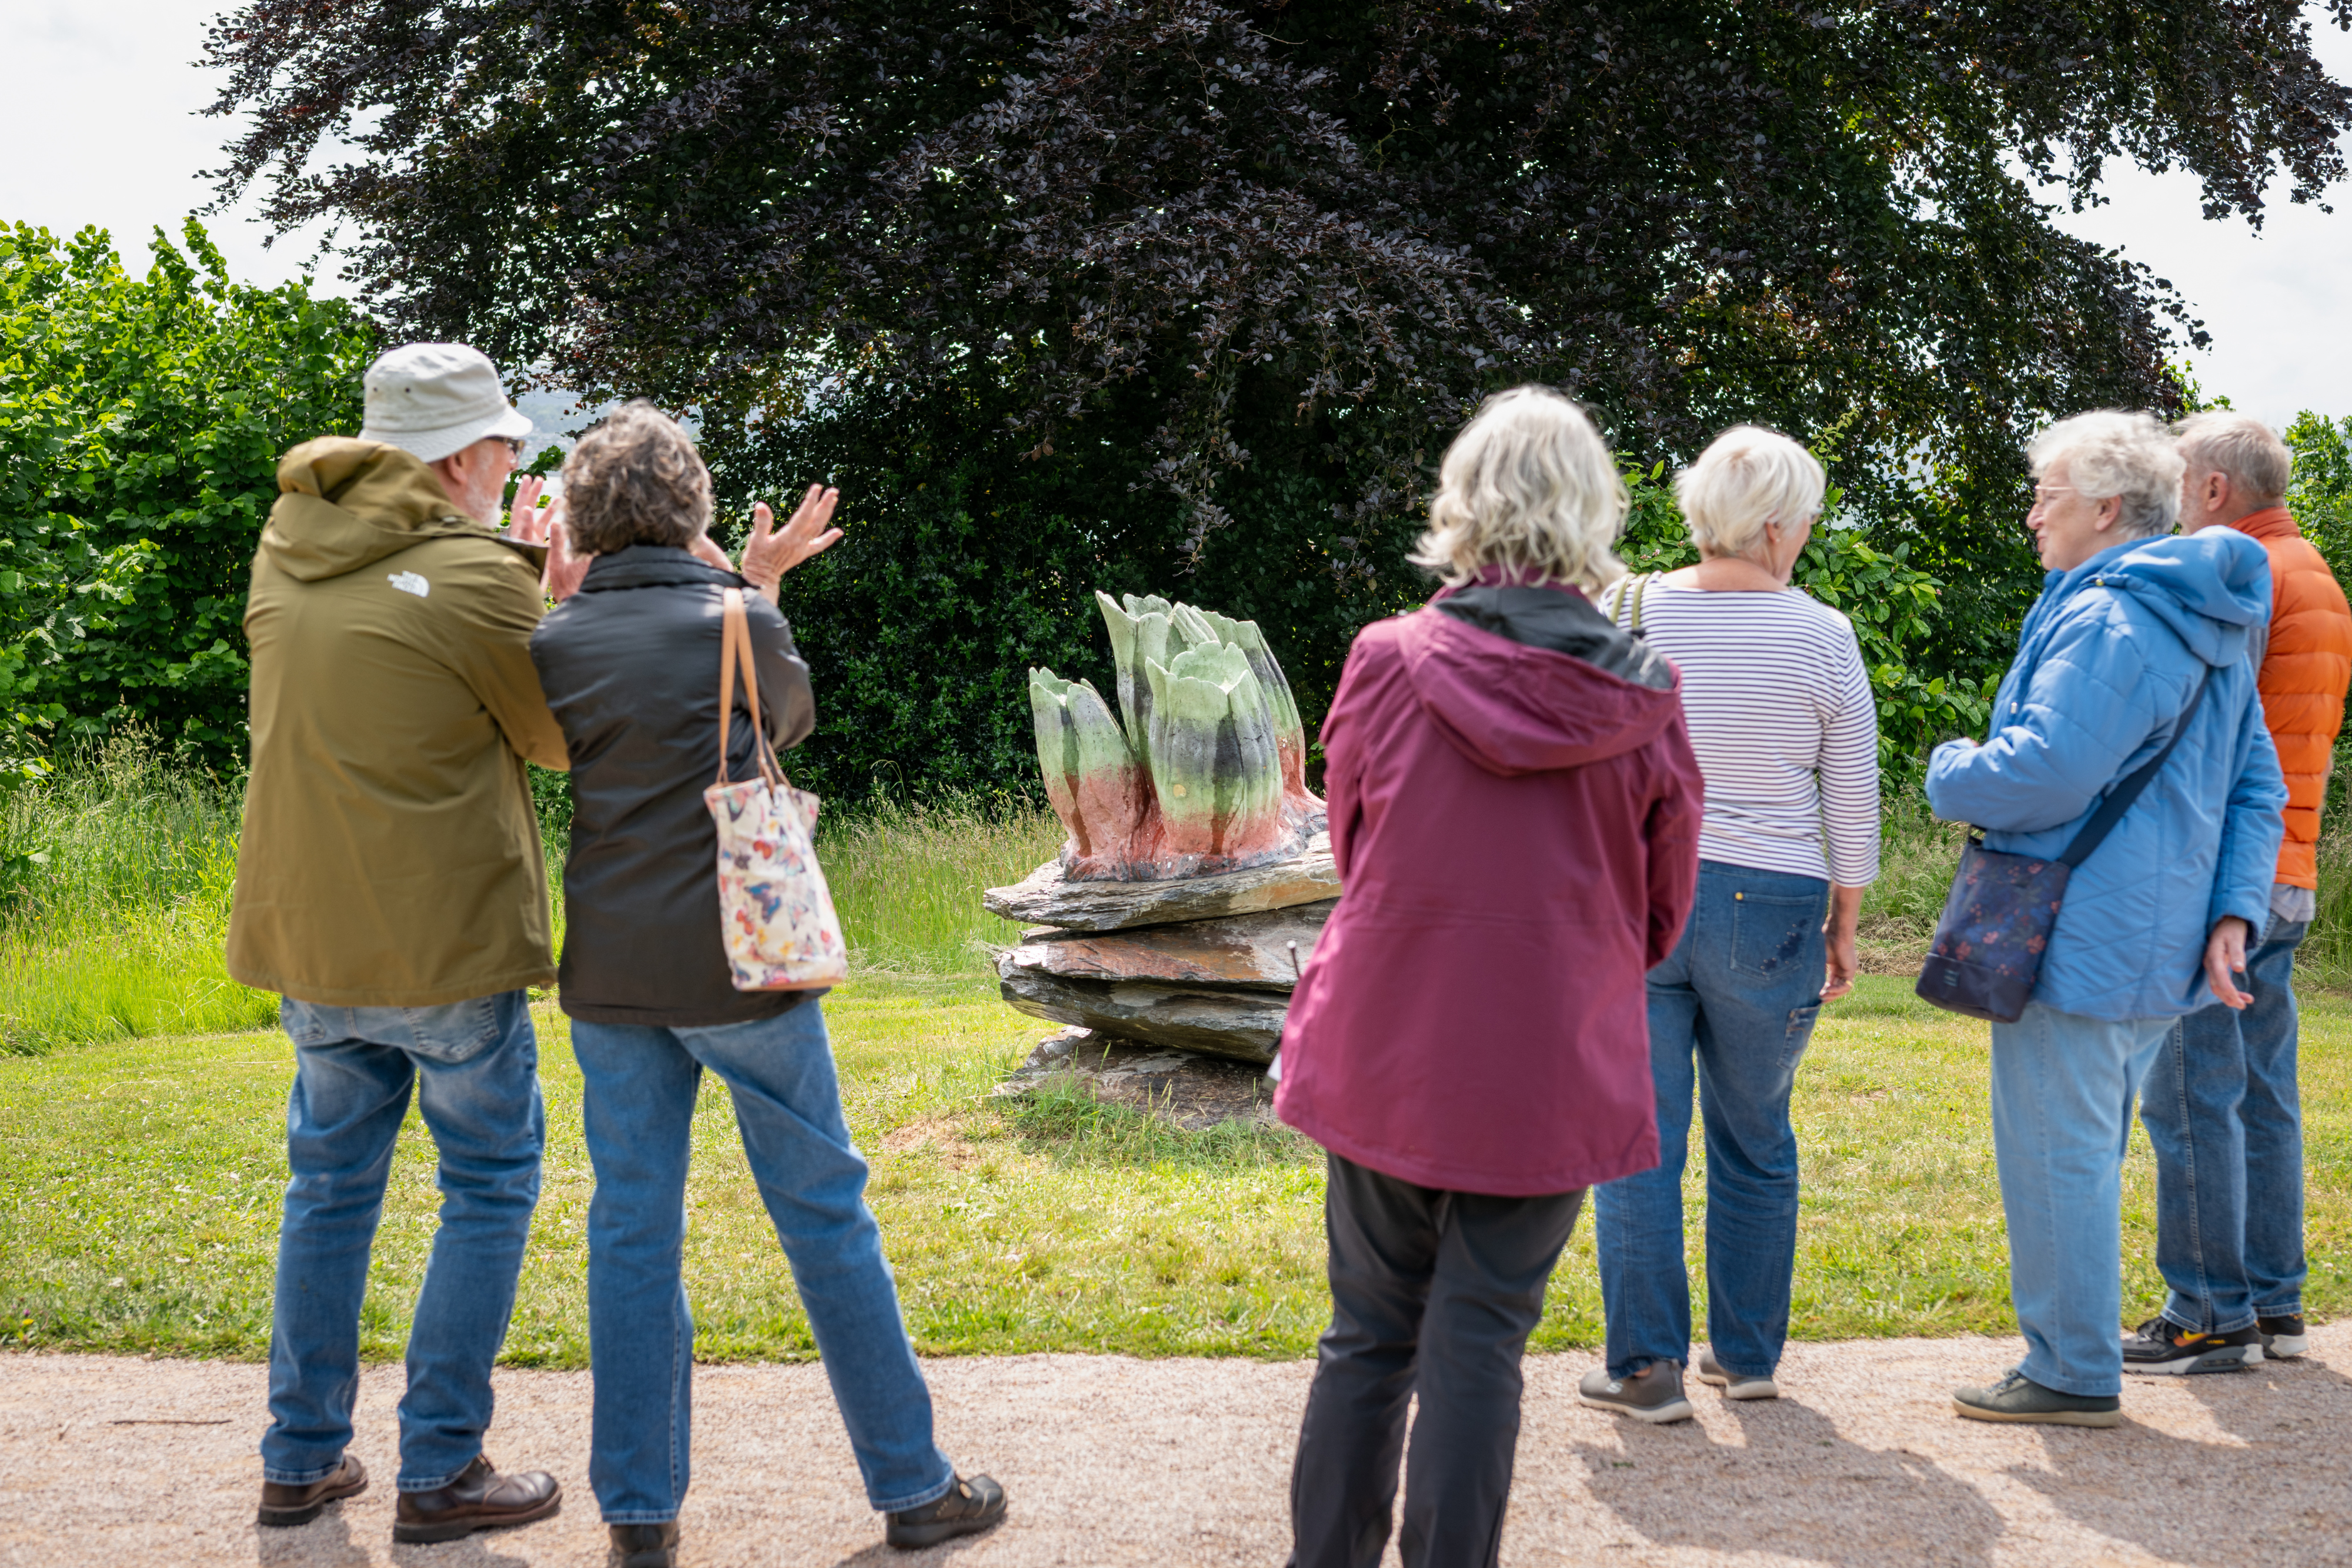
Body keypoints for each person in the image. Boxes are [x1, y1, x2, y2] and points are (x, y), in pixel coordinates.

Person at [526, 402, 1005, 1566]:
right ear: (690, 510)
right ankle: (910, 1486)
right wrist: (754, 584)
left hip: (610, 974)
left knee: (631, 1230)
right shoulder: (737, 615)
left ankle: (638, 1516)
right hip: (749, 962)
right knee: (825, 1214)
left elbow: (559, 738)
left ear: (584, 521)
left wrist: (563, 596)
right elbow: (783, 719)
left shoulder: (554, 638)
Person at [1273, 385, 1704, 1567]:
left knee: (1366, 1337)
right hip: (1547, 1051)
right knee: (1477, 1345)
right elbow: (1662, 905)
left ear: (1462, 505)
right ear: (1591, 513)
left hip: (1387, 1038)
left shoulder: (1384, 659)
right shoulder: (1647, 692)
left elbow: (1354, 847)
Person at [232, 343, 572, 1542]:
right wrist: (553, 594)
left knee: (326, 1191)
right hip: (445, 945)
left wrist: (513, 570)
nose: (515, 463)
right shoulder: (478, 574)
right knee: (485, 1184)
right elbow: (557, 737)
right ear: (466, 456)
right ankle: (442, 1469)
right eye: (509, 446)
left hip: (306, 937)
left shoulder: (284, 553)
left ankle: (301, 1457)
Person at [1925, 409, 2286, 1426]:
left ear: (2106, 506)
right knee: (2085, 1147)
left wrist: (1949, 770)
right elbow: (2258, 786)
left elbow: (2050, 771)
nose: (2034, 510)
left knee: (2058, 1156)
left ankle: (2070, 1370)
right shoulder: (2206, 619)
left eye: (2046, 491)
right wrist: (2233, 912)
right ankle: (2071, 1358)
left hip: (2076, 933)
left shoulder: (2110, 618)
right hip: (2157, 937)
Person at [1582, 426, 1880, 1423]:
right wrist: (1847, 914)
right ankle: (1746, 1355)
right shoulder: (1824, 633)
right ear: (1777, 527)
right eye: (1804, 521)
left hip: (1638, 891)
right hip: (1778, 900)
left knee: (1640, 1137)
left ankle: (1645, 1369)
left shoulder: (1623, 611)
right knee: (1757, 1134)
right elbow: (1852, 791)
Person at [2126, 413, 2351, 1373]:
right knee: (2262, 1093)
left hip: (2224, 872)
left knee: (2187, 1094)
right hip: (2288, 868)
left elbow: (2201, 721)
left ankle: (2208, 1308)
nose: (2170, 502)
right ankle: (2274, 1297)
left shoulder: (2237, 568)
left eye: (2178, 482)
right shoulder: (2314, 573)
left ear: (2214, 489)